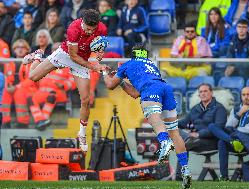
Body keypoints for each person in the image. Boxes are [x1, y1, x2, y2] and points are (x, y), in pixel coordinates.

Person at [103, 44, 191, 189]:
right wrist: (122, 83)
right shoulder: (151, 64)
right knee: (175, 133)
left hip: (151, 89)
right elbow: (135, 93)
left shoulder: (127, 64)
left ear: (132, 53)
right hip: (166, 89)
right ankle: (186, 170)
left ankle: (164, 142)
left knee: (153, 117)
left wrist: (105, 73)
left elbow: (110, 85)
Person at [23, 9, 109, 152]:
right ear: (82, 22)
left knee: (86, 99)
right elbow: (73, 56)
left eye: (92, 29)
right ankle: (38, 55)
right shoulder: (73, 29)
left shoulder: (102, 28)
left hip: (83, 59)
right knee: (33, 77)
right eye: (87, 29)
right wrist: (93, 66)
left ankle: (81, 133)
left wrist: (100, 53)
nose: (89, 32)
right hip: (66, 54)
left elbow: (101, 46)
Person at [208, 87, 249, 181]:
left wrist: (233, 132)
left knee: (222, 139)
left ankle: (231, 140)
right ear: (241, 96)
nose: (246, 97)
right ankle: (224, 176)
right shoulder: (236, 109)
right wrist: (239, 113)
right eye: (244, 95)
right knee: (213, 129)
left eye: (248, 94)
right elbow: (229, 126)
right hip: (234, 142)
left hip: (248, 143)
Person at [176, 83, 227, 180]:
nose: (203, 94)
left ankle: (179, 177)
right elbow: (184, 122)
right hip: (195, 140)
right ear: (198, 95)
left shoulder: (219, 108)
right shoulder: (196, 108)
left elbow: (218, 128)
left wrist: (199, 134)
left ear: (211, 92)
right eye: (201, 92)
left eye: (205, 91)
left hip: (212, 141)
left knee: (184, 144)